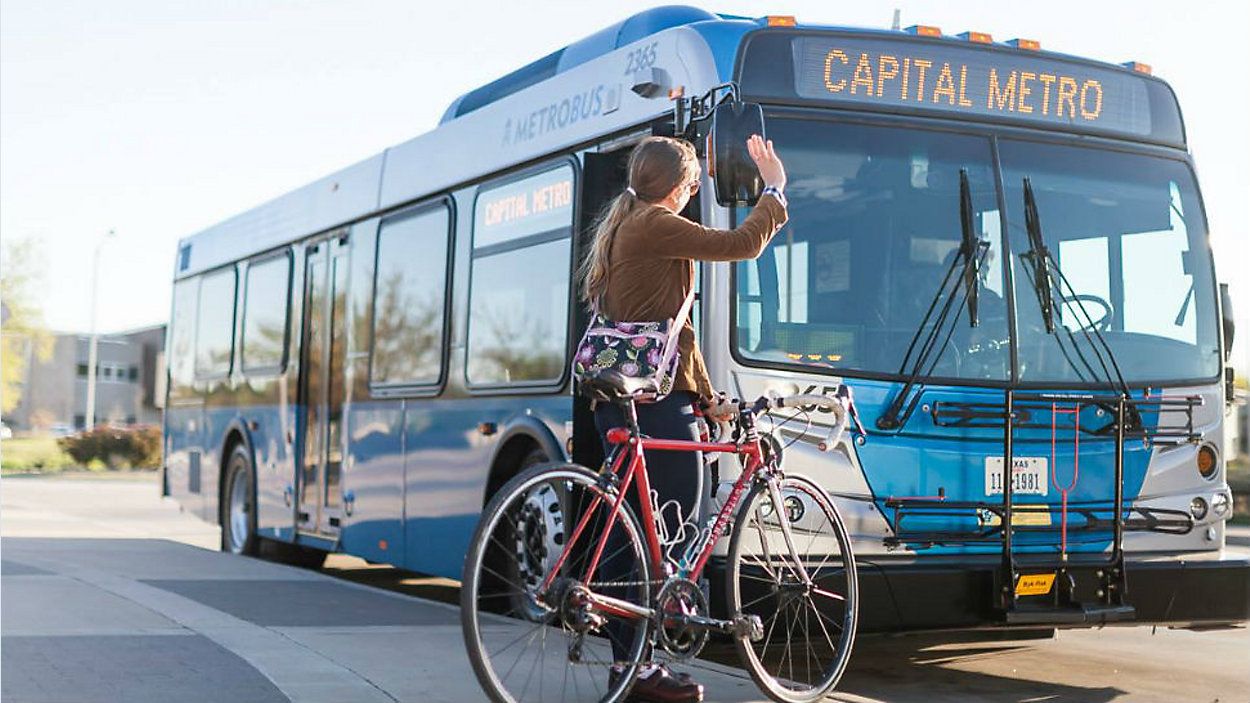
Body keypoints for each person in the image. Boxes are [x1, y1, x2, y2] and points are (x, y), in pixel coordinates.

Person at [578, 134, 788, 703]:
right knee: (674, 529)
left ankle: (632, 666)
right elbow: (743, 243)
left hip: (632, 400)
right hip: (653, 406)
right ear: (679, 187)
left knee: (641, 535)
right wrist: (774, 189)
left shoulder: (635, 225)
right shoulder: (655, 223)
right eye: (694, 185)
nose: (695, 192)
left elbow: (672, 334)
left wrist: (708, 397)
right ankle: (639, 667)